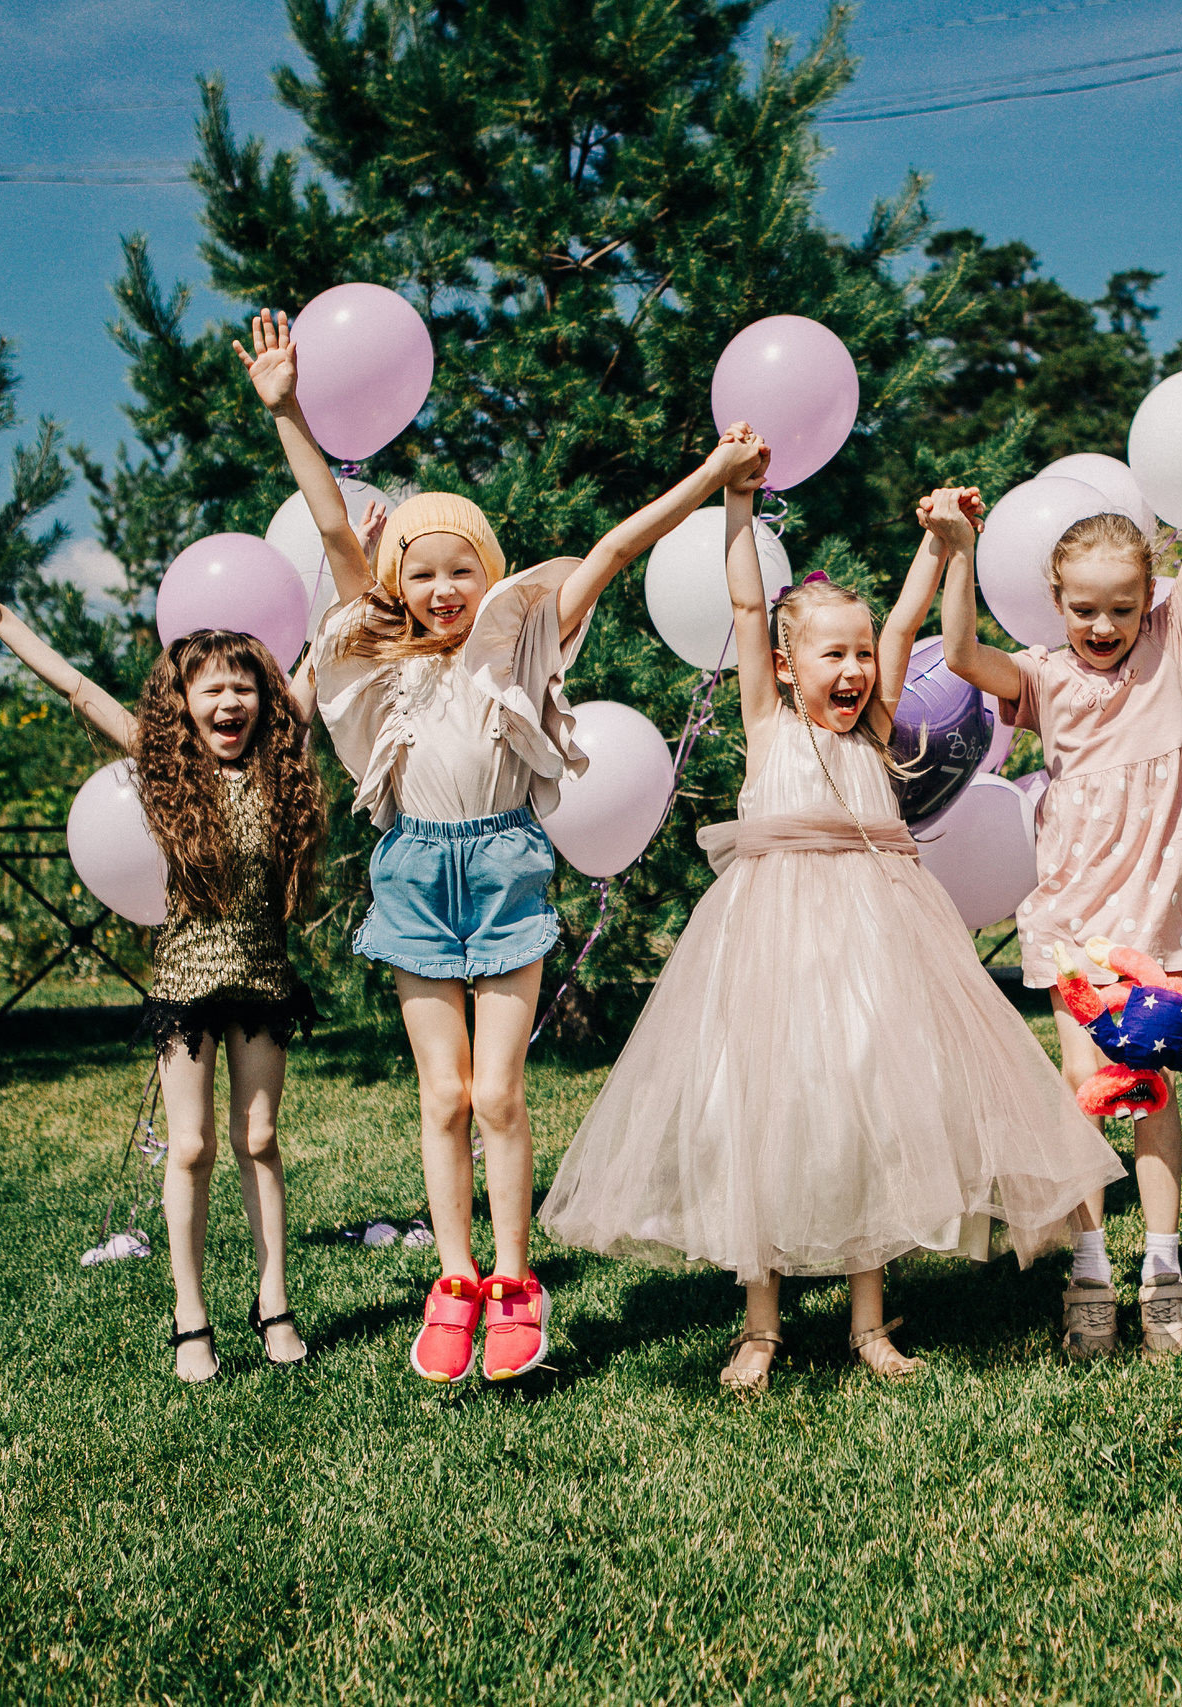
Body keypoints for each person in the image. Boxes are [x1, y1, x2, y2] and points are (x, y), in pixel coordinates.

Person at [237, 308, 764, 1384]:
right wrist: (288, 408)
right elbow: (338, 528)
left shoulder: (521, 638)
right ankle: (455, 1278)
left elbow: (617, 545)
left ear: (487, 574)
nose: (440, 590)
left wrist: (713, 470)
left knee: (499, 1096)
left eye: (458, 571)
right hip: (413, 871)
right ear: (396, 585)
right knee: (440, 1096)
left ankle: (517, 1281)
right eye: (420, 574)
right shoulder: (375, 646)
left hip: (507, 864)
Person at [538, 462, 1125, 1395]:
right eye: (831, 656)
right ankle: (761, 1322)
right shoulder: (768, 722)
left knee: (867, 1112)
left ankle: (866, 1319)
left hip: (872, 943)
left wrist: (939, 545)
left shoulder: (873, 728)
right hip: (769, 946)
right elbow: (743, 603)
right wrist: (737, 501)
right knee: (766, 1114)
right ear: (783, 665)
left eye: (860, 656)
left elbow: (902, 623)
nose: (852, 670)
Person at [0, 566, 324, 1383]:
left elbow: (333, 634)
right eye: (212, 689)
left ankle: (274, 1300)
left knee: (261, 1138)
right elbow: (75, 687)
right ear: (184, 704)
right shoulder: (165, 761)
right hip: (185, 983)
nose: (231, 703)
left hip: (263, 978)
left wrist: (355, 556)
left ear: (266, 700)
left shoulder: (282, 761)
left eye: (245, 686)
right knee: (193, 1145)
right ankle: (190, 1313)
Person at [935, 463, 1182, 1358]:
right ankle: (1090, 1269)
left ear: (1150, 596)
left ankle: (1164, 1271)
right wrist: (959, 552)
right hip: (1075, 917)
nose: (1102, 626)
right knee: (1083, 1094)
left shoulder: (1171, 643)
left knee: (1149, 1085)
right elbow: (959, 655)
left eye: (1119, 606)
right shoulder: (1042, 677)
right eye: (1083, 610)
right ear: (1056, 604)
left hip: (1154, 918)